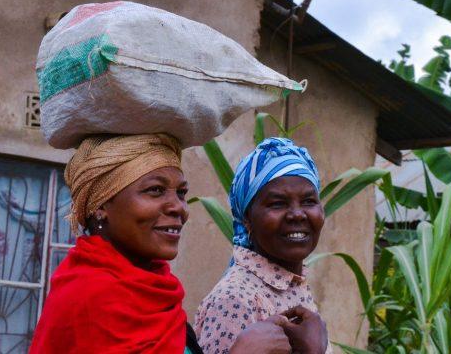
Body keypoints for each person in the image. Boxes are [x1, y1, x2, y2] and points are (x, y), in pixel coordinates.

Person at [29, 134, 293, 354]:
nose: (179, 208)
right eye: (155, 190)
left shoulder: (155, 293)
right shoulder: (90, 297)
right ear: (101, 205)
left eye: (181, 193)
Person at [195, 137, 331, 354]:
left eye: (308, 201)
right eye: (277, 203)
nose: (297, 214)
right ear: (247, 219)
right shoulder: (236, 299)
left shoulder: (291, 284)